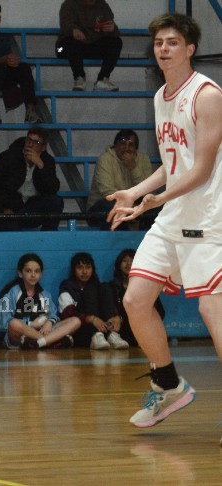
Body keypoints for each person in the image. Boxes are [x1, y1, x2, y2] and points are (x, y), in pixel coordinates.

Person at [106, 13, 221, 430]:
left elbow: (202, 169)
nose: (163, 48)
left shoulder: (207, 96)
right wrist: (135, 193)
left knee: (213, 313)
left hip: (209, 220)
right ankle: (169, 384)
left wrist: (155, 199)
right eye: (159, 43)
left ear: (190, 49)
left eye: (172, 42)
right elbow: (171, 166)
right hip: (173, 214)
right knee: (135, 300)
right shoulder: (161, 96)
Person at [0, 126, 64, 231]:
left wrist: (41, 166)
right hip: (8, 210)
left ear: (43, 147)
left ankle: (47, 240)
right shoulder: (9, 157)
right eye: (29, 140)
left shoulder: (47, 161)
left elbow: (52, 189)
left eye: (36, 142)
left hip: (31, 209)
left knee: (56, 202)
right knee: (11, 228)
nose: (30, 145)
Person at [0, 253, 80, 350]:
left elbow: (53, 314)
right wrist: (31, 324)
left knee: (75, 321)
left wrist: (49, 322)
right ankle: (51, 341)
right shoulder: (11, 294)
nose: (33, 275)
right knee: (14, 324)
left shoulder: (45, 295)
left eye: (37, 271)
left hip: (44, 331)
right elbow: (4, 324)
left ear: (41, 274)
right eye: (28, 271)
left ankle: (39, 343)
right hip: (20, 336)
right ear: (20, 273)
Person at [58, 252, 129, 350]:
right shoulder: (67, 288)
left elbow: (110, 307)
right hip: (80, 332)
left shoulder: (99, 288)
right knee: (90, 289)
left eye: (88, 267)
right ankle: (96, 335)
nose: (84, 271)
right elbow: (68, 315)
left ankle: (112, 335)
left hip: (104, 331)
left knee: (104, 286)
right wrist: (91, 319)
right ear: (73, 271)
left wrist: (117, 317)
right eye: (80, 268)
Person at [87, 129, 156, 230]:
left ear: (136, 149)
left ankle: (144, 241)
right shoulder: (105, 159)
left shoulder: (143, 159)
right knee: (114, 207)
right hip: (104, 203)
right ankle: (121, 243)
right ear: (115, 146)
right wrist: (129, 206)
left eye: (131, 145)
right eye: (122, 143)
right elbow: (107, 192)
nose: (126, 148)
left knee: (154, 206)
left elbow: (150, 189)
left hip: (135, 202)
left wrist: (134, 168)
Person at [55, 0, 122, 91]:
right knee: (69, 42)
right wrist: (72, 31)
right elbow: (66, 25)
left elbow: (114, 30)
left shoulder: (103, 6)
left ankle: (102, 79)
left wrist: (113, 29)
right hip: (62, 49)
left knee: (116, 42)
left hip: (90, 47)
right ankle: (79, 78)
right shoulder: (68, 4)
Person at [108, 248, 165, 347]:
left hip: (141, 329)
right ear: (119, 264)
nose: (128, 264)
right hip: (119, 329)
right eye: (125, 260)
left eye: (132, 260)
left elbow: (160, 311)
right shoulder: (111, 287)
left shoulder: (146, 287)